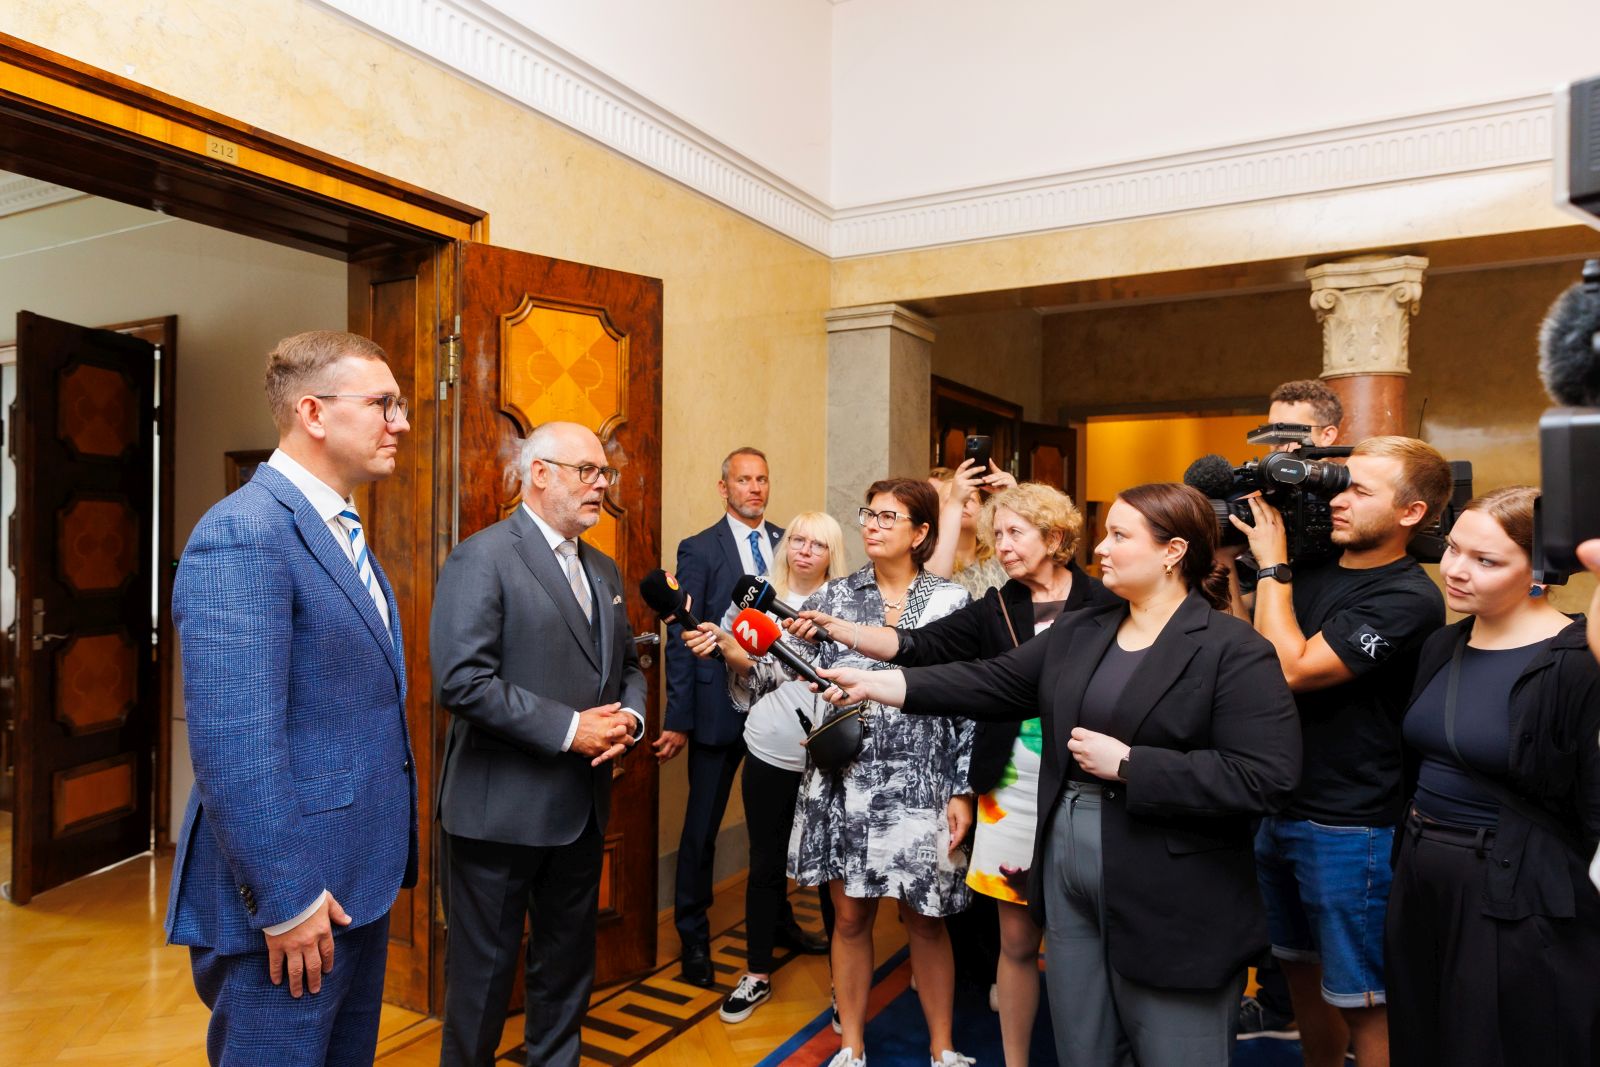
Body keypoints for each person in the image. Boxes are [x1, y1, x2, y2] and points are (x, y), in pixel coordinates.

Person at [820, 483, 1301, 1067]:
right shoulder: (1085, 629)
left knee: (1176, 1044)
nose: (1101, 547)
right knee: (1082, 1040)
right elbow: (989, 682)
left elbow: (1266, 776)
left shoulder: (1232, 648)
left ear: (1172, 551)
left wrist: (1131, 764)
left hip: (1168, 881)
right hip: (1066, 855)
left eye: (1120, 536)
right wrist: (876, 684)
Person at [796, 481, 1118, 1067]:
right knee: (1015, 938)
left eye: (1015, 533)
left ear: (1056, 537)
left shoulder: (1105, 603)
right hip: (1011, 789)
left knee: (1085, 939)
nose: (1002, 545)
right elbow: (921, 649)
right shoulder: (996, 607)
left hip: (1092, 786)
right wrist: (842, 633)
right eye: (997, 533)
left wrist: (954, 784)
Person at [167, 330, 418, 1066]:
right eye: (383, 403)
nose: (399, 421)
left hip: (353, 880)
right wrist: (286, 896)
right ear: (313, 411)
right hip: (289, 903)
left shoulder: (337, 529)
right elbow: (234, 743)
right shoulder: (244, 533)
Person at [732, 478, 975, 1067]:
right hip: (847, 778)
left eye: (890, 517)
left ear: (921, 534)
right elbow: (778, 676)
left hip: (924, 780)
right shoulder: (837, 597)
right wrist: (738, 654)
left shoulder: (951, 603)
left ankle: (943, 1048)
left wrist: (963, 786)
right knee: (848, 915)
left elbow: (971, 700)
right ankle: (851, 1046)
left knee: (926, 919)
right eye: (869, 514)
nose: (872, 525)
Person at [1227, 435, 1453, 1067]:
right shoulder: (1316, 565)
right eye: (1339, 484)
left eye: (1360, 490)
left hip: (1350, 822)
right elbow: (1251, 649)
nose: (1339, 500)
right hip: (1277, 802)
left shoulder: (1408, 598)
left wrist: (1272, 567)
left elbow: (1290, 668)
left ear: (1410, 513)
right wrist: (1236, 569)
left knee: (1365, 1000)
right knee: (1302, 983)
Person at [430, 421, 645, 1067]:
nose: (601, 485)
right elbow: (461, 681)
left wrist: (631, 720)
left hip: (579, 813)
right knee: (484, 984)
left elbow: (629, 665)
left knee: (565, 974)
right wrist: (570, 728)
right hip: (499, 816)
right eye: (588, 471)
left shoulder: (603, 566)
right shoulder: (483, 556)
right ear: (539, 472)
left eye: (604, 473)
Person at [1386, 486, 1600, 1067]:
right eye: (1453, 549)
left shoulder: (1577, 662)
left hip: (1515, 889)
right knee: (1421, 1035)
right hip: (1421, 876)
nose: (1455, 571)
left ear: (1540, 572)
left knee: (1497, 1043)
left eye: (1486, 561)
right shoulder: (1444, 643)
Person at [659, 448, 823, 984]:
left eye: (762, 480)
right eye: (743, 480)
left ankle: (777, 924)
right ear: (723, 487)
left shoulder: (790, 542)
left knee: (772, 831)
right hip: (715, 712)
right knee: (702, 830)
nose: (754, 488)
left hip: (779, 715)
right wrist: (678, 716)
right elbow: (682, 637)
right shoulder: (700, 549)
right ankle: (694, 940)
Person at [681, 512, 849, 1024]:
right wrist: (730, 653)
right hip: (770, 749)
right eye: (797, 539)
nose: (803, 550)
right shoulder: (753, 597)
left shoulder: (845, 604)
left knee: (831, 870)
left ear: (831, 552)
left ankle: (846, 987)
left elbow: (853, 675)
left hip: (829, 754)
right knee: (765, 860)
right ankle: (756, 974)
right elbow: (750, 678)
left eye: (817, 544)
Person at [1240, 377, 1345, 1038]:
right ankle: (1281, 1009)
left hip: (1340, 792)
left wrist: (1274, 566)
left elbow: (1290, 666)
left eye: (1294, 436)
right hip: (1269, 772)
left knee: (1352, 973)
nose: (1280, 446)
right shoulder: (1269, 509)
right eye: (1272, 432)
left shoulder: (1346, 531)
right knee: (1290, 949)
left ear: (1329, 437)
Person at [926, 460, 1013, 597]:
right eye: (952, 499)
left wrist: (1012, 496)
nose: (964, 503)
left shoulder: (1002, 557)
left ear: (982, 510)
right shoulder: (925, 561)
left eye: (971, 499)